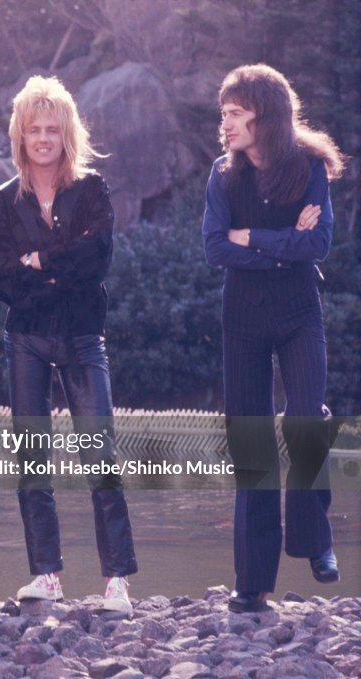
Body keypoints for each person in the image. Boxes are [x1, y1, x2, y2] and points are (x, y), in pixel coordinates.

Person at [0, 75, 137, 614]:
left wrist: (42, 262)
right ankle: (47, 575)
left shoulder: (92, 189)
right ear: (20, 136)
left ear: (67, 133)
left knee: (100, 456)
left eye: (52, 129)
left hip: (81, 335)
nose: (43, 139)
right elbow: (2, 278)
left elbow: (97, 260)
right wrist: (58, 270)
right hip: (25, 338)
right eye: (34, 130)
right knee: (32, 458)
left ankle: (116, 581)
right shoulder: (4, 200)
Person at [202, 64, 345, 613]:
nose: (226, 124)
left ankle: (314, 540)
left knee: (306, 418)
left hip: (298, 313)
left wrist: (253, 237)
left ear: (267, 117)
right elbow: (215, 248)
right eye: (224, 113)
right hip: (242, 319)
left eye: (236, 114)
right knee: (252, 442)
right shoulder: (222, 174)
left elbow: (319, 245)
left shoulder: (308, 168)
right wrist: (283, 241)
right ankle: (253, 584)